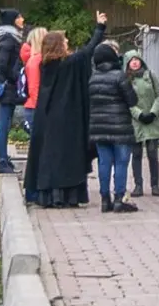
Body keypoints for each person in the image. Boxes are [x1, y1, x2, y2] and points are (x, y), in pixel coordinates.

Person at [23, 13, 107, 208]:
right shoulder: (68, 64)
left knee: (49, 157)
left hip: (47, 119)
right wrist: (100, 27)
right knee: (66, 158)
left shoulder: (45, 65)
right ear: (59, 45)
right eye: (65, 40)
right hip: (67, 120)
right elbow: (88, 51)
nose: (68, 41)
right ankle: (67, 195)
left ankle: (49, 195)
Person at [89, 43, 139, 214]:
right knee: (121, 163)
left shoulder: (93, 78)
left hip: (98, 128)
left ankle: (104, 200)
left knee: (104, 163)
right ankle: (119, 199)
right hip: (120, 128)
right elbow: (132, 100)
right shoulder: (120, 76)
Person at [124, 51, 159, 198]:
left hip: (152, 120)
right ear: (127, 63)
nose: (135, 62)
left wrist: (153, 112)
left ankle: (155, 185)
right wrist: (139, 114)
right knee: (136, 154)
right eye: (131, 60)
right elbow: (126, 101)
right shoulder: (125, 79)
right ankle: (138, 186)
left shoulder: (150, 75)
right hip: (136, 122)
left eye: (137, 59)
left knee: (152, 154)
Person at [0, 8, 25, 174]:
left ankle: (4, 158)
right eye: (19, 17)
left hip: (8, 85)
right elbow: (2, 64)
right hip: (7, 86)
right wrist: (14, 77)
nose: (22, 19)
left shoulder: (11, 38)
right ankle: (2, 161)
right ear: (12, 20)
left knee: (5, 123)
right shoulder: (8, 40)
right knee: (4, 124)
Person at [19, 26, 47, 135]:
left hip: (33, 106)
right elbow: (34, 87)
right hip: (36, 107)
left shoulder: (32, 59)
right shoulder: (36, 60)